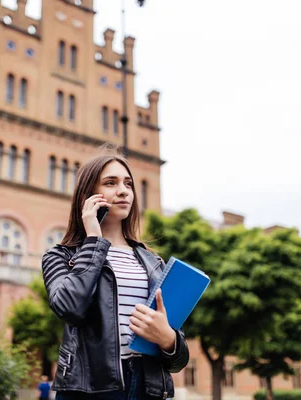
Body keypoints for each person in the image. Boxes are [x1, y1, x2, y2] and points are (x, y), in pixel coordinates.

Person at [42, 151, 189, 399]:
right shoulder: (60, 256)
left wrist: (168, 339)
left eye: (128, 183)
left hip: (147, 387)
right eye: (111, 183)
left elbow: (178, 361)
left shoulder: (153, 263)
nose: (124, 191)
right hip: (89, 389)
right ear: (89, 194)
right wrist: (93, 239)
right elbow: (70, 307)